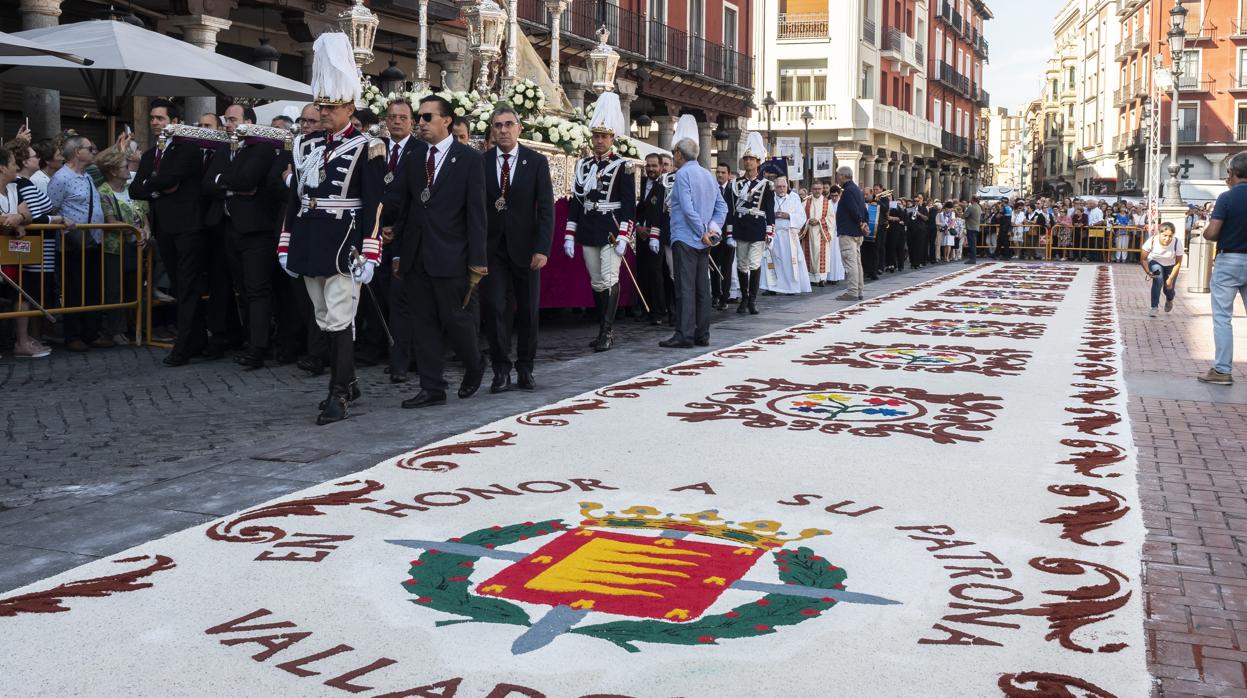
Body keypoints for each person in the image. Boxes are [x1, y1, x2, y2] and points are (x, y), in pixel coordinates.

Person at [278, 33, 384, 424]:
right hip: (308, 237)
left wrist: (371, 251)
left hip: (344, 241)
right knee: (323, 316)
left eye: (332, 106)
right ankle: (349, 380)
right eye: (321, 105)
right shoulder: (303, 145)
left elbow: (375, 204)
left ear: (350, 107)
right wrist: (286, 243)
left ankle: (338, 394)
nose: (323, 112)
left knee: (339, 318)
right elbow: (295, 199)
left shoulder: (367, 146)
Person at [391, 94, 487, 408]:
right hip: (417, 254)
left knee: (456, 319)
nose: (420, 123)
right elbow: (406, 208)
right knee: (423, 323)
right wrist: (398, 253)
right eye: (419, 118)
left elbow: (476, 214)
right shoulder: (415, 157)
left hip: (452, 255)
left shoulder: (469, 159)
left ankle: (474, 365)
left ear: (446, 120)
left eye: (427, 117)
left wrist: (477, 260)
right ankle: (432, 386)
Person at [131, 99, 215, 366]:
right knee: (179, 286)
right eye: (153, 118)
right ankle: (199, 338)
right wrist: (156, 186)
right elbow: (136, 190)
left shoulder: (187, 149)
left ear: (175, 123)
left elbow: (169, 178)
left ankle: (184, 346)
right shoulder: (149, 155)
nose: (155, 122)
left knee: (188, 286)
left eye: (161, 118)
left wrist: (153, 184)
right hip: (164, 228)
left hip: (188, 227)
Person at [479, 104, 553, 393]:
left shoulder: (535, 162)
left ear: (519, 128)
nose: (503, 130)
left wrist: (542, 248)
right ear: (492, 130)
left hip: (526, 249)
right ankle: (500, 369)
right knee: (495, 308)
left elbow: (546, 208)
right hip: (492, 249)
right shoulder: (481, 162)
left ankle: (525, 367)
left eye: (509, 124)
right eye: (498, 125)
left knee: (528, 312)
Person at [204, 105, 283, 370]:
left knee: (257, 289)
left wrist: (224, 182)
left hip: (256, 231)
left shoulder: (260, 149)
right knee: (243, 290)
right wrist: (231, 186)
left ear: (249, 122)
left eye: (233, 120)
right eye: (226, 120)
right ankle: (250, 338)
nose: (227, 124)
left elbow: (248, 179)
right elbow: (208, 184)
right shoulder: (224, 149)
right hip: (229, 228)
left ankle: (258, 347)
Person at [562, 91, 635, 352]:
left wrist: (625, 235)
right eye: (596, 136)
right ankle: (602, 327)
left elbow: (629, 205)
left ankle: (607, 330)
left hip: (611, 228)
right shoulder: (583, 165)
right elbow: (577, 202)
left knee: (608, 278)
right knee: (595, 281)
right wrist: (570, 234)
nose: (599, 141)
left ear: (612, 138)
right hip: (589, 227)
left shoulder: (622, 166)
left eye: (603, 136)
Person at [659, 137, 726, 349]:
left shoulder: (682, 174)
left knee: (685, 288)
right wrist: (712, 230)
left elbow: (687, 209)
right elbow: (722, 207)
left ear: (679, 153)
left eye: (673, 152)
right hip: (702, 240)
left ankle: (684, 334)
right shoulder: (707, 174)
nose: (673, 156)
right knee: (702, 288)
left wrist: (701, 231)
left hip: (686, 237)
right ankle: (702, 333)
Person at [47, 134, 108, 353]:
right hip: (72, 243)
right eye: (89, 148)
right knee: (74, 289)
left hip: (94, 239)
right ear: (76, 152)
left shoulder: (88, 177)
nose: (93, 151)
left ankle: (91, 333)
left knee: (93, 287)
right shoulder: (61, 178)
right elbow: (50, 209)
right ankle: (73, 335)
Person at [374, 99, 420, 383]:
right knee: (383, 298)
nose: (397, 121)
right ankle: (390, 350)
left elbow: (416, 198)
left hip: (406, 236)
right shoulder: (376, 150)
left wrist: (397, 228)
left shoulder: (420, 151)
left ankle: (402, 361)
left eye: (403, 117)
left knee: (404, 301)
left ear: (412, 121)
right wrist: (378, 227)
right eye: (392, 117)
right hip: (377, 235)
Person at [1198, 151, 1247, 385]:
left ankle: (1223, 370)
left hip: (1230, 260)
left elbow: (1213, 232)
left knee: (1222, 317)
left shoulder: (1227, 198)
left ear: (1233, 173)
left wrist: (1206, 230)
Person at [95, 140, 147, 347]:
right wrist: (133, 229)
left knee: (135, 288)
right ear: (114, 171)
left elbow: (143, 211)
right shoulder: (104, 192)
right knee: (114, 289)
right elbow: (110, 220)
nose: (128, 169)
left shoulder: (131, 188)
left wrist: (146, 230)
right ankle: (116, 330)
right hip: (114, 248)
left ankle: (137, 326)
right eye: (125, 166)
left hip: (138, 246)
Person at [725, 132, 774, 315]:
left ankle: (752, 299)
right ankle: (744, 297)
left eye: (751, 159)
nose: (748, 162)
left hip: (757, 227)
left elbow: (770, 211)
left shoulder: (766, 185)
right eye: (746, 159)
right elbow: (731, 210)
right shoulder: (736, 184)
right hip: (741, 228)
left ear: (758, 162)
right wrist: (730, 233)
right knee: (741, 265)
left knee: (754, 264)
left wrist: (770, 232)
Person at [634, 152, 668, 325]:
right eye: (648, 165)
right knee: (641, 271)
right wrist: (637, 227)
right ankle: (643, 307)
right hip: (639, 234)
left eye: (654, 165)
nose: (651, 169)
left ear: (662, 167)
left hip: (656, 235)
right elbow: (633, 207)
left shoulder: (665, 186)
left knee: (655, 273)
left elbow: (663, 213)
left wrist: (654, 233)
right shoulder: (638, 183)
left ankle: (658, 311)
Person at [762, 175, 809, 295]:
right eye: (779, 187)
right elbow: (762, 214)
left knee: (789, 263)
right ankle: (772, 288)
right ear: (775, 188)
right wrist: (773, 214)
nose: (781, 189)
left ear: (787, 186)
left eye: (783, 186)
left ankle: (790, 288)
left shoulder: (793, 198)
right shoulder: (770, 197)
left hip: (788, 236)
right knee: (771, 262)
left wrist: (788, 216)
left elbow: (802, 217)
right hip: (773, 235)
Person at [834, 165, 868, 301]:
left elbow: (853, 210)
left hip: (848, 232)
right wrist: (864, 223)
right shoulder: (858, 190)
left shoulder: (847, 191)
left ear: (842, 176)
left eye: (837, 175)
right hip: (857, 232)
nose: (837, 178)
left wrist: (860, 222)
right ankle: (859, 290)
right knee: (857, 262)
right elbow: (864, 209)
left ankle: (853, 291)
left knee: (850, 262)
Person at [1140, 221, 1183, 318]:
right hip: (1155, 262)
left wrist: (1170, 279)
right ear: (1159, 233)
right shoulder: (1152, 241)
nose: (1167, 239)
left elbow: (1178, 263)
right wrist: (1148, 272)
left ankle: (1170, 298)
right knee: (1158, 280)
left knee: (1168, 288)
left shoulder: (1177, 242)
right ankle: (1154, 307)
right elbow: (1143, 259)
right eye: (1165, 235)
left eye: (1170, 236)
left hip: (1171, 265)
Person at [802, 180, 839, 286]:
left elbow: (831, 219)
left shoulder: (827, 203)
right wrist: (808, 221)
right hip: (808, 232)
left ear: (822, 189)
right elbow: (800, 217)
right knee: (809, 256)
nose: (817, 191)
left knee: (821, 256)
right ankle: (811, 279)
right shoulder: (805, 202)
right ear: (811, 190)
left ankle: (822, 279)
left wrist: (819, 221)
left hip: (822, 233)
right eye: (815, 189)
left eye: (819, 189)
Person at [711, 163, 736, 309]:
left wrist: (733, 234)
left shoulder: (733, 191)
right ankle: (715, 294)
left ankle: (724, 298)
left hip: (728, 234)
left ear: (728, 174)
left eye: (722, 173)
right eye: (718, 172)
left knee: (726, 267)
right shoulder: (711, 189)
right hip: (714, 233)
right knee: (714, 266)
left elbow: (733, 212)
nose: (719, 175)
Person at [963, 196, 981, 264]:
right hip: (976, 227)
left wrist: (964, 210)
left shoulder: (971, 207)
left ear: (973, 200)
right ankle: (973, 258)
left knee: (972, 244)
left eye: (971, 199)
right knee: (973, 243)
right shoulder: (978, 207)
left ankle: (972, 259)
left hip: (971, 227)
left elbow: (965, 215)